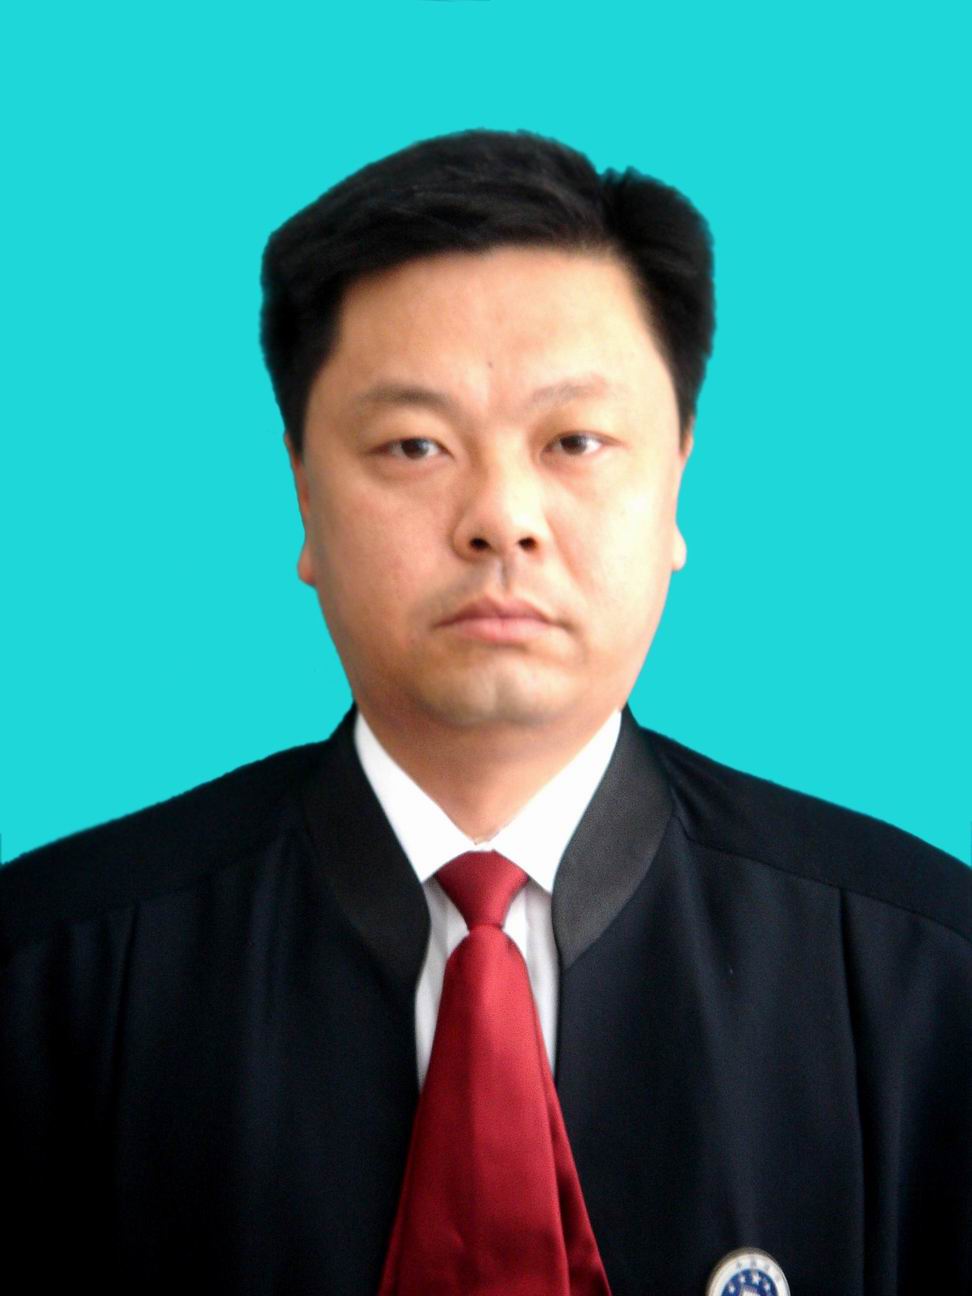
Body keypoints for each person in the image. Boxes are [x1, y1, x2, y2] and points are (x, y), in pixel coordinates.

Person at [2, 128, 969, 1296]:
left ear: (676, 478)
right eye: (415, 444)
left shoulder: (923, 983)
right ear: (303, 490)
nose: (501, 517)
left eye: (575, 441)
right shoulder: (52, 983)